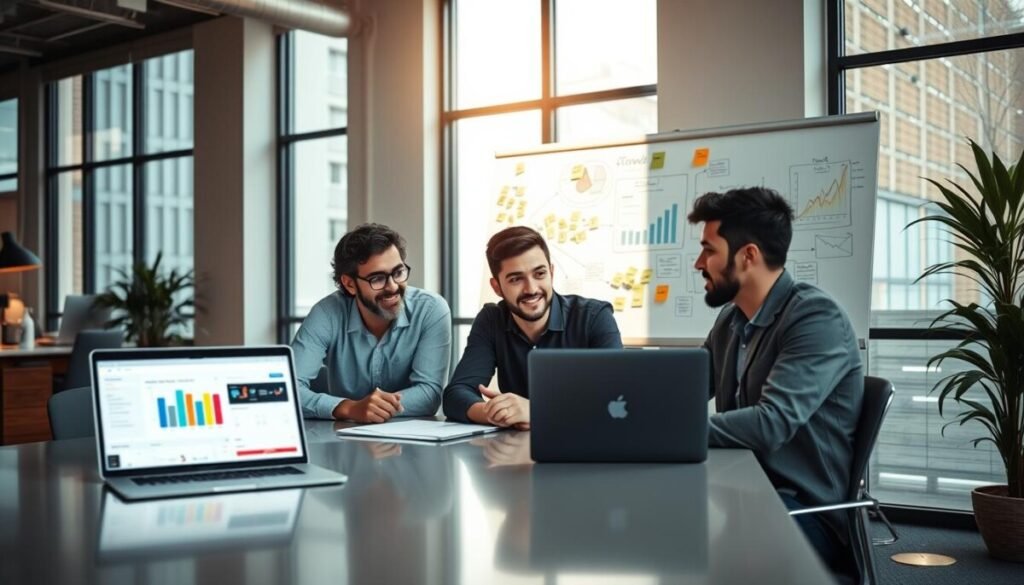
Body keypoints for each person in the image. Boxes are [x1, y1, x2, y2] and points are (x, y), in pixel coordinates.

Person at [687, 187, 863, 569]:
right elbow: (684, 391)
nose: (699, 263)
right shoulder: (731, 320)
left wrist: (672, 432)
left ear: (748, 255)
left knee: (694, 548)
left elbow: (772, 423)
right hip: (743, 490)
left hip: (803, 511)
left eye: (709, 250)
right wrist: (626, 415)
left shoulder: (815, 317)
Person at [443, 226, 623, 429]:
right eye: (516, 279)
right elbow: (456, 394)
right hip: (517, 450)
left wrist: (536, 412)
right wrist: (495, 413)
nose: (531, 289)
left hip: (587, 446)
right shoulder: (491, 320)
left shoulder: (594, 317)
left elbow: (616, 398)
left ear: (551, 273)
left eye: (539, 274)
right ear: (497, 287)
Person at [292, 223, 452, 421]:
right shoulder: (327, 314)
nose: (393, 287)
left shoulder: (431, 310)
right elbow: (288, 390)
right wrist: (349, 408)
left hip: (412, 443)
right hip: (344, 438)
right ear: (350, 284)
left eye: (398, 272)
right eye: (377, 279)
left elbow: (429, 394)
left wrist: (375, 407)